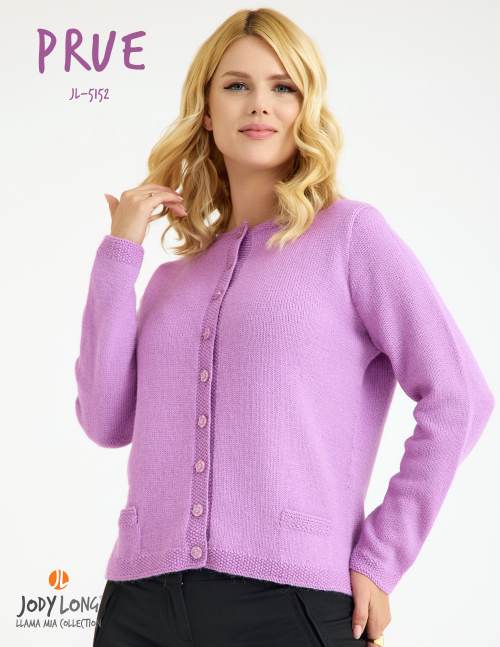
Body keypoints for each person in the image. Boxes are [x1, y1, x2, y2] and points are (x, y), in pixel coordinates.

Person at [74, 8, 495, 647]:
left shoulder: (350, 237)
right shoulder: (169, 280)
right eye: (236, 85)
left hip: (290, 605)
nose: (259, 104)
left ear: (305, 107)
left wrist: (380, 557)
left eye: (283, 87)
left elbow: (459, 395)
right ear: (206, 111)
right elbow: (105, 421)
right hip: (139, 604)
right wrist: (119, 253)